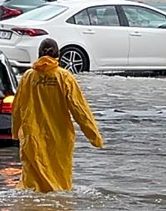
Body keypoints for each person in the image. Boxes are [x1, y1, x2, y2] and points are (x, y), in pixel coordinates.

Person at [11, 39, 104, 193]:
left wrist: (15, 132)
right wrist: (94, 137)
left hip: (31, 137)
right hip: (59, 139)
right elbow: (80, 109)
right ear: (58, 55)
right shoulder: (64, 77)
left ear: (39, 54)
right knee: (59, 182)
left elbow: (17, 108)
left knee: (32, 184)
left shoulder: (28, 77)